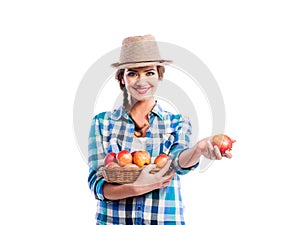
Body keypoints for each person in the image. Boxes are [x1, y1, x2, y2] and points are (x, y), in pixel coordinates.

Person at [88, 34, 233, 225]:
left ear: (159, 75)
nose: (141, 81)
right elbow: (98, 185)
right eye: (132, 73)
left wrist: (198, 150)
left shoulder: (177, 123)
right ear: (122, 78)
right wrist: (138, 186)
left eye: (149, 73)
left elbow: (177, 163)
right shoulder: (102, 123)